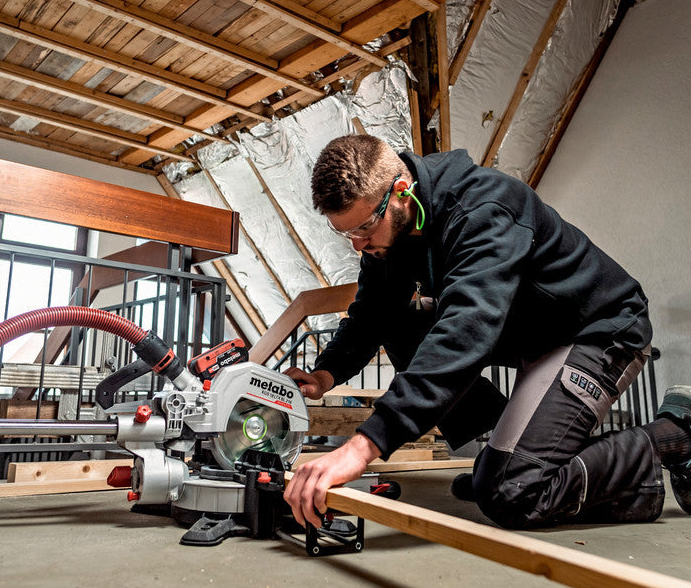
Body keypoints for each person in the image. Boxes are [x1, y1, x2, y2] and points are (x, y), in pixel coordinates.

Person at [284, 134, 691, 531]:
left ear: (402, 192)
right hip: (534, 334)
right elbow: (373, 312)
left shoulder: (484, 208)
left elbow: (465, 331)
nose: (358, 244)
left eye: (366, 227)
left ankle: (676, 436)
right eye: (346, 233)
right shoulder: (390, 238)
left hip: (599, 329)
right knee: (401, 319)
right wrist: (326, 373)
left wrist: (363, 446)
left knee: (510, 493)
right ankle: (507, 452)